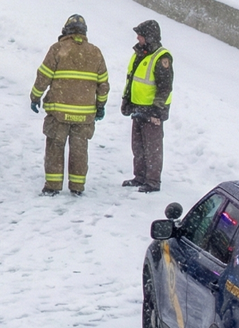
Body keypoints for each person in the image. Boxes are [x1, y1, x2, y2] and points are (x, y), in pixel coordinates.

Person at [30, 14, 109, 196]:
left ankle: (52, 186)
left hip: (59, 113)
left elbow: (43, 76)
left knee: (55, 148)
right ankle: (77, 186)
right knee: (79, 151)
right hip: (84, 115)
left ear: (66, 31)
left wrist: (35, 96)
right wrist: (101, 105)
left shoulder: (58, 49)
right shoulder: (95, 52)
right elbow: (103, 83)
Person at [121, 19, 173, 193]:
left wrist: (157, 111)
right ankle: (140, 177)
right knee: (138, 146)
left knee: (152, 148)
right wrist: (127, 101)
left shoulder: (161, 57)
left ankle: (152, 181)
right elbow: (132, 80)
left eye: (140, 35)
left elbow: (165, 87)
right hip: (138, 108)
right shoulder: (140, 54)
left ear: (149, 37)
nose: (137, 38)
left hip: (152, 112)